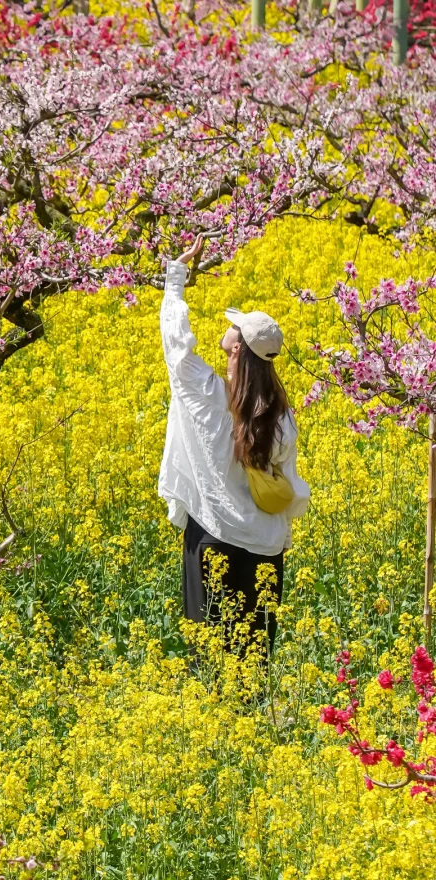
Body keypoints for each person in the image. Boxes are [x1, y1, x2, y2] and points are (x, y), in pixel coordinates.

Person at [158, 236, 309, 655]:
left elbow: (176, 345)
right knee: (252, 660)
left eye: (234, 329)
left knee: (210, 660)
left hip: (214, 538)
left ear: (238, 348)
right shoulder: (281, 418)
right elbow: (288, 483)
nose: (226, 332)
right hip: (264, 548)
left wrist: (176, 277)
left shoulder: (206, 394)